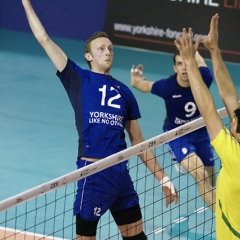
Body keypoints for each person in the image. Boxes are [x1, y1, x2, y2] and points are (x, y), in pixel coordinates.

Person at [21, 1, 179, 239]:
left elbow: (139, 141)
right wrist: (26, 4)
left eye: (110, 48)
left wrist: (163, 178)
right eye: (101, 49)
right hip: (92, 174)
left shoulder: (125, 92)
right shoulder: (78, 79)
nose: (107, 52)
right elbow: (44, 38)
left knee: (137, 237)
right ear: (88, 56)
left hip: (120, 175)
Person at [174, 13, 240, 240]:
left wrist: (191, 63)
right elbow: (229, 96)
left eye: (235, 123)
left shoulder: (235, 158)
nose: (233, 119)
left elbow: (208, 109)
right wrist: (214, 50)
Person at [131, 50, 216, 212]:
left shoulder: (204, 78)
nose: (184, 68)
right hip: (178, 136)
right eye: (179, 64)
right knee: (201, 175)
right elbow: (144, 86)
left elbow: (202, 63)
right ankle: (226, 219)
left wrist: (191, 48)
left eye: (186, 62)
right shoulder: (167, 86)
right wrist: (135, 80)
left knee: (212, 181)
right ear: (175, 67)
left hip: (201, 134)